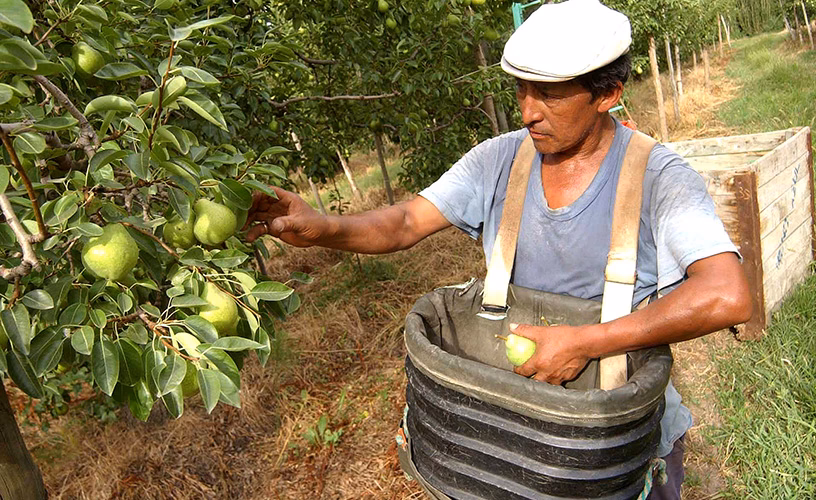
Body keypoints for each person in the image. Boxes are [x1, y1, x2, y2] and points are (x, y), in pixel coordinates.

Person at [245, 0, 752, 497]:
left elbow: (726, 295)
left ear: (608, 94)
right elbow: (403, 222)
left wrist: (584, 342)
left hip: (609, 449)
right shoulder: (500, 160)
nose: (528, 111)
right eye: (521, 90)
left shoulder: (660, 179)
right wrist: (322, 227)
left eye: (549, 93)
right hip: (511, 438)